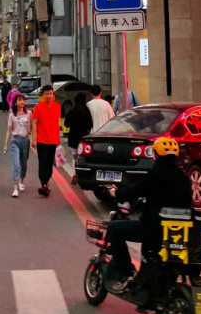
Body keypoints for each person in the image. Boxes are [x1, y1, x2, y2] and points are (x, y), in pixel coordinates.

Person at [105, 136, 192, 288]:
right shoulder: (184, 178)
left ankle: (126, 271)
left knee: (114, 229)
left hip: (154, 230)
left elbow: (132, 192)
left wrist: (115, 193)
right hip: (177, 233)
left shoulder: (155, 174)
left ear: (156, 155)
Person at [31, 85, 62, 196]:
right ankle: (44, 184)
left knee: (49, 163)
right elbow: (34, 123)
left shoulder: (57, 106)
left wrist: (58, 137)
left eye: (50, 93)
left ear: (53, 94)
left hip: (53, 139)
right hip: (41, 139)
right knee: (42, 162)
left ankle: (46, 181)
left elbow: (57, 123)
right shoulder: (38, 107)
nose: (48, 96)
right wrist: (34, 139)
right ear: (43, 95)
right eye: (46, 94)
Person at [3, 93, 32, 196]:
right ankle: (15, 188)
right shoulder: (12, 115)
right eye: (19, 100)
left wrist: (33, 141)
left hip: (25, 140)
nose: (22, 102)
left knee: (23, 163)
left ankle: (21, 181)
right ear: (15, 103)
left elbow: (32, 128)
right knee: (16, 163)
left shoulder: (29, 113)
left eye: (23, 100)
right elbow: (9, 130)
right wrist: (6, 144)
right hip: (15, 140)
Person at [64, 93, 92, 185]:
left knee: (74, 156)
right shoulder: (87, 111)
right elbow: (90, 125)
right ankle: (82, 175)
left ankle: (74, 174)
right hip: (83, 137)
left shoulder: (72, 111)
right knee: (83, 156)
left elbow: (66, 124)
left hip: (73, 136)